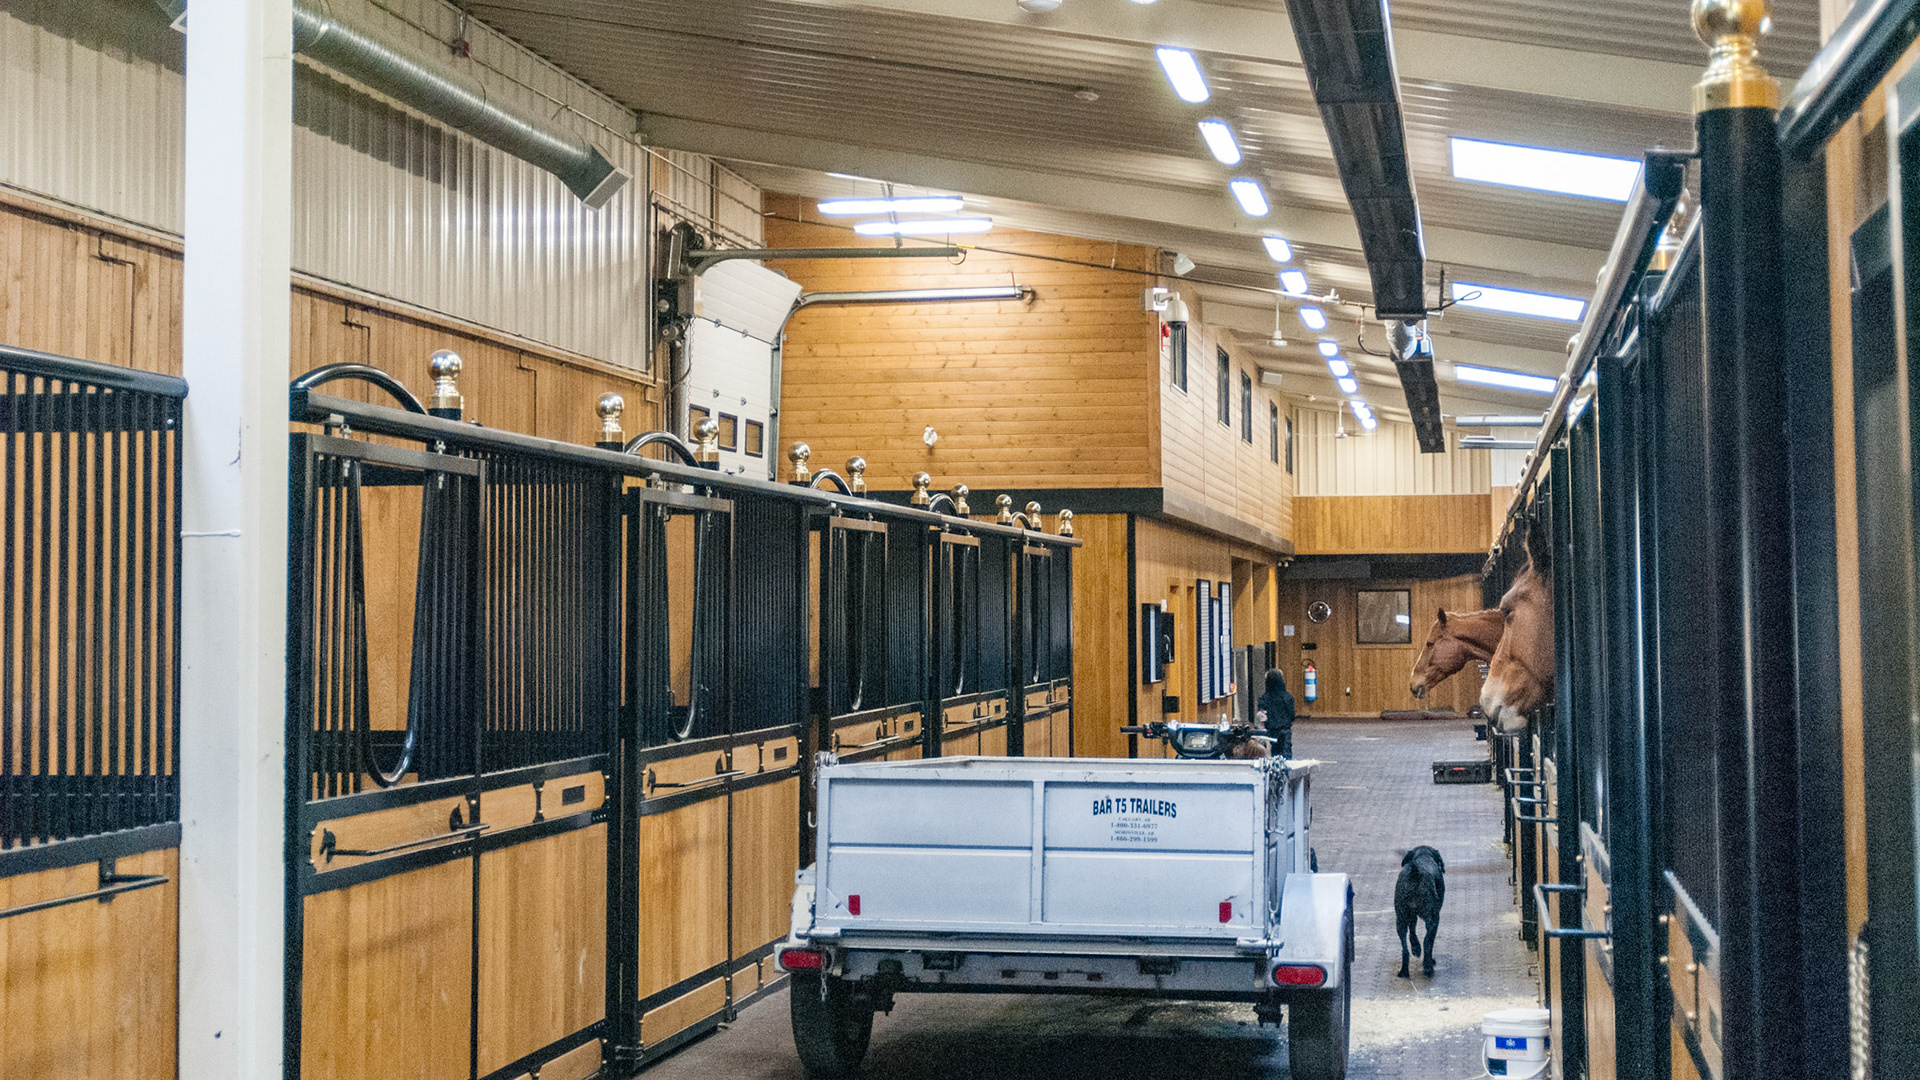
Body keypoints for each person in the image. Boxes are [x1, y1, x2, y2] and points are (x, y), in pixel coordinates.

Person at [1256, 667, 1296, 758]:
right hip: (1285, 728)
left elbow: (1262, 714)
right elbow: (1292, 714)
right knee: (1286, 751)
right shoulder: (1287, 696)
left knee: (1275, 751)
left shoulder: (1264, 698)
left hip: (1272, 729)